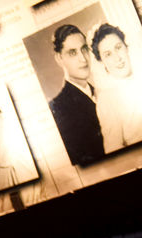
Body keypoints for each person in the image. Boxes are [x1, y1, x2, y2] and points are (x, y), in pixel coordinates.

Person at [48, 24, 104, 166]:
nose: (83, 59)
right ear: (59, 59)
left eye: (84, 49)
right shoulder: (59, 107)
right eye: (72, 53)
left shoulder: (102, 92)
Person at [91, 23, 142, 153]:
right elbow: (114, 150)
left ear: (126, 48)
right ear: (102, 62)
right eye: (108, 54)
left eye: (118, 48)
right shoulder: (107, 99)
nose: (117, 58)